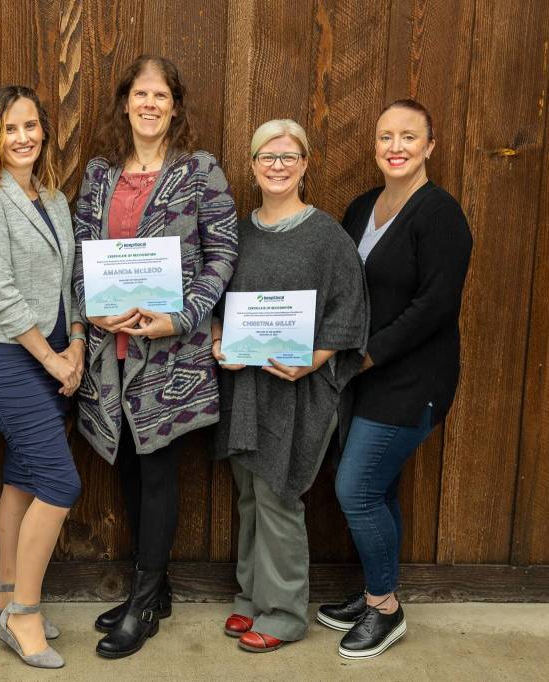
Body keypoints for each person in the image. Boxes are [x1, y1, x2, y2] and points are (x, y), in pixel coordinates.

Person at [72, 55, 238, 659]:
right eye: (140, 93)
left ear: (174, 105)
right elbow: (81, 249)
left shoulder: (200, 171)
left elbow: (222, 252)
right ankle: (155, 588)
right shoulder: (99, 174)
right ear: (125, 103)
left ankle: (143, 604)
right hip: (110, 345)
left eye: (160, 95)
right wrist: (90, 307)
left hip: (170, 351)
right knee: (126, 463)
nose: (149, 104)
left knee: (159, 467)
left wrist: (184, 316)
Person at [318, 99, 473, 659]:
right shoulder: (362, 207)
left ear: (430, 146)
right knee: (375, 487)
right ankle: (373, 592)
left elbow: (435, 306)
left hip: (413, 379)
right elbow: (334, 279)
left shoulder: (440, 214)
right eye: (386, 136)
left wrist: (366, 355)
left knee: (355, 487)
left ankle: (386, 610)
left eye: (409, 137)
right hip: (364, 375)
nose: (396, 147)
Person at [211, 119, 368, 653]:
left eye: (289, 156)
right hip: (244, 386)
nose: (277, 165)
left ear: (305, 163)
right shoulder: (236, 232)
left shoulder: (327, 237)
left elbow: (350, 316)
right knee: (250, 495)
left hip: (297, 387)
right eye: (267, 156)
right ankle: (252, 596)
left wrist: (312, 360)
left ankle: (283, 613)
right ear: (252, 165)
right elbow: (215, 302)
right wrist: (217, 341)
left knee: (279, 492)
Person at [0, 85, 85, 670]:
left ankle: (7, 590)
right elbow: (1, 293)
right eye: (11, 128)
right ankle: (24, 614)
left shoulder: (54, 197)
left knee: (24, 479)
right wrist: (52, 357)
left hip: (60, 354)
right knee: (60, 482)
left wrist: (78, 342)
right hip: (10, 358)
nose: (23, 138)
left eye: (31, 125)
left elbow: (69, 283)